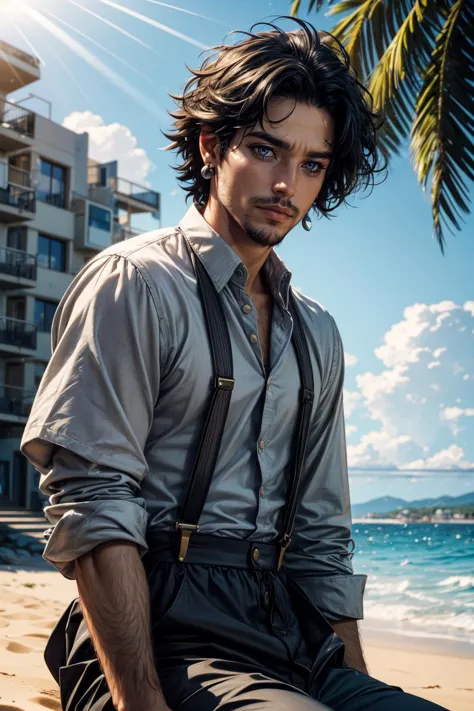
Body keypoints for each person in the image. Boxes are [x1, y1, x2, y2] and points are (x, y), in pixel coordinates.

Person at [21, 17, 449, 711]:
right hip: (161, 638)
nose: (288, 183)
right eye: (265, 149)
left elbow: (319, 538)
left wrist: (356, 685)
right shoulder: (135, 282)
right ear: (211, 143)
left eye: (312, 164)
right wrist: (141, 700)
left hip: (290, 635)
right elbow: (92, 502)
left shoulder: (317, 332)